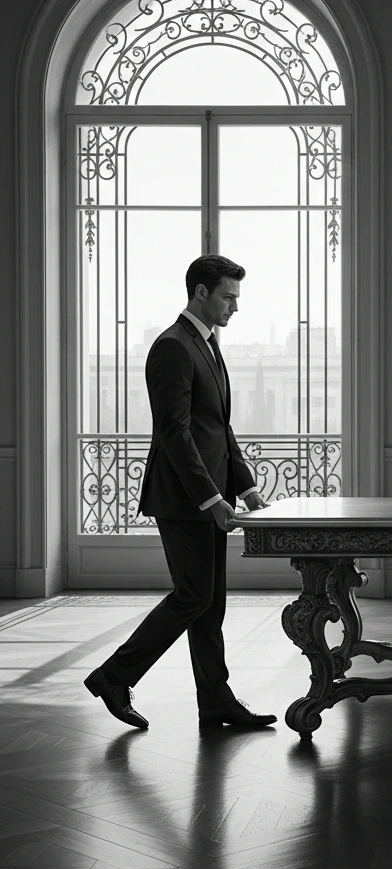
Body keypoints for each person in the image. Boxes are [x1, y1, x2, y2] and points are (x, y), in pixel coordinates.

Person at [83, 255, 277, 731]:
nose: (235, 306)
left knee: (211, 601)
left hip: (211, 496)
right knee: (193, 596)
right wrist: (211, 499)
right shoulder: (172, 347)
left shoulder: (207, 345)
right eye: (229, 296)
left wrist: (247, 486)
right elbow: (175, 432)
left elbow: (218, 427)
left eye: (237, 297)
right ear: (201, 293)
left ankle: (215, 701)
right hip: (185, 498)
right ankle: (113, 677)